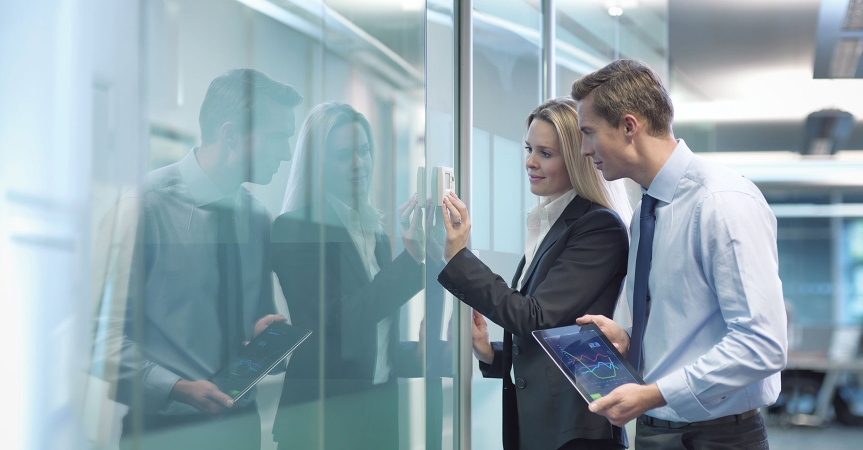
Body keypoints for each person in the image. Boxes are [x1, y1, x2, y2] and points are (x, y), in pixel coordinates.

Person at [571, 59, 788, 450]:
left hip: (716, 437)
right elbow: (686, 325)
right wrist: (630, 337)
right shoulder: (647, 210)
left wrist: (654, 393)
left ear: (628, 126)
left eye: (589, 133)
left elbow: (762, 344)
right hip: (657, 429)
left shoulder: (721, 202)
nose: (585, 150)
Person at [92, 68, 303, 450]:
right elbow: (94, 337)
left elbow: (253, 318)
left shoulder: (257, 219)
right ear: (230, 135)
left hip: (241, 426)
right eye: (277, 138)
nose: (287, 154)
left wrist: (259, 336)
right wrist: (177, 388)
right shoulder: (143, 208)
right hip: (165, 433)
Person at [438, 97, 633, 450]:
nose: (529, 162)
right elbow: (558, 337)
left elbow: (536, 317)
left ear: (576, 159)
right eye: (529, 149)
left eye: (545, 153)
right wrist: (492, 354)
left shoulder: (598, 227)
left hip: (576, 432)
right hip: (545, 427)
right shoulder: (551, 223)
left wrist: (459, 257)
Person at [271, 101, 446, 450]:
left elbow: (374, 338)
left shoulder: (373, 231)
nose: (358, 164)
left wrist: (416, 355)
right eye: (342, 156)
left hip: (377, 409)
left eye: (364, 151)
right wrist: (410, 259)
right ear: (318, 164)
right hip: (322, 418)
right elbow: (339, 322)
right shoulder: (295, 229)